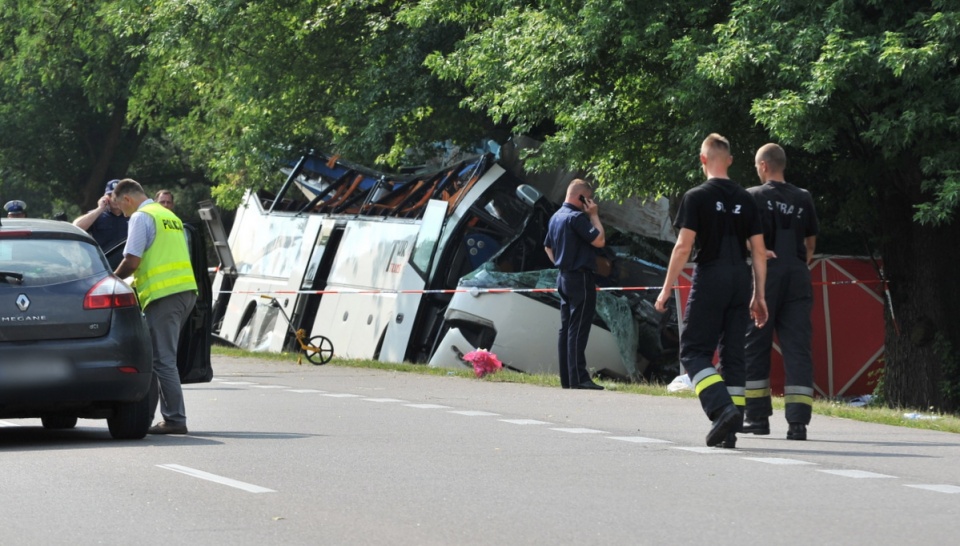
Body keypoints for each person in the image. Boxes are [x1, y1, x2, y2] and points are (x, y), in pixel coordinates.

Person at [654, 133, 768, 448]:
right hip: (740, 278)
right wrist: (758, 295)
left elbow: (683, 247)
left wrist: (665, 291)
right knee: (734, 355)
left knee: (693, 351)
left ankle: (721, 409)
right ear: (729, 160)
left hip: (712, 275)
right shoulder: (747, 199)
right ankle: (729, 431)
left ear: (703, 160)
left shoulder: (696, 196)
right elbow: (759, 251)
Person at [742, 143, 819, 441]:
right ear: (782, 165)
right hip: (798, 274)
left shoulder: (752, 197)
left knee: (755, 343)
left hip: (766, 274)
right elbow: (810, 245)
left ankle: (757, 418)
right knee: (798, 347)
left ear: (763, 166)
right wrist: (798, 266)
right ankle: (797, 424)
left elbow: (747, 240)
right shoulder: (804, 198)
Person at [112, 179, 198, 435]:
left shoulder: (141, 217)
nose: (124, 214)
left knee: (162, 360)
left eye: (121, 208)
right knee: (156, 358)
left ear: (127, 199)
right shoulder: (168, 216)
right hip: (184, 292)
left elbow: (132, 260)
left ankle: (175, 419)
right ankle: (147, 417)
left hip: (164, 295)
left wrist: (111, 280)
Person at [544, 179, 607, 390]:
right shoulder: (577, 217)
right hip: (580, 278)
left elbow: (548, 248)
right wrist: (594, 215)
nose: (589, 203)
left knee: (566, 328)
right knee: (578, 328)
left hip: (563, 277)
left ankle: (568, 378)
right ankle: (579, 378)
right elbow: (599, 241)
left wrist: (563, 264)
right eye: (588, 199)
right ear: (582, 197)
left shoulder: (555, 217)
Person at [73, 179, 130, 250]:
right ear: (104, 197)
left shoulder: (132, 215)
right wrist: (100, 209)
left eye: (118, 195)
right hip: (104, 259)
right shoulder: (97, 215)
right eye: (110, 195)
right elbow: (76, 227)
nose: (114, 198)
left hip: (127, 260)